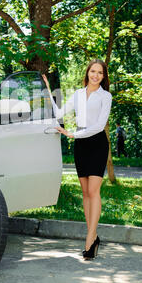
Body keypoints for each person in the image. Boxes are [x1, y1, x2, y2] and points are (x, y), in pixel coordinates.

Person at [42, 59, 112, 260]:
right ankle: (93, 236)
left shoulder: (105, 96)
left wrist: (72, 135)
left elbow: (99, 126)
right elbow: (59, 113)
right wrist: (47, 90)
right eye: (93, 71)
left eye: (100, 72)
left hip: (97, 143)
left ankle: (90, 238)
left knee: (93, 191)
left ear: (103, 76)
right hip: (81, 145)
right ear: (88, 73)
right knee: (85, 192)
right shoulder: (78, 94)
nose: (96, 75)